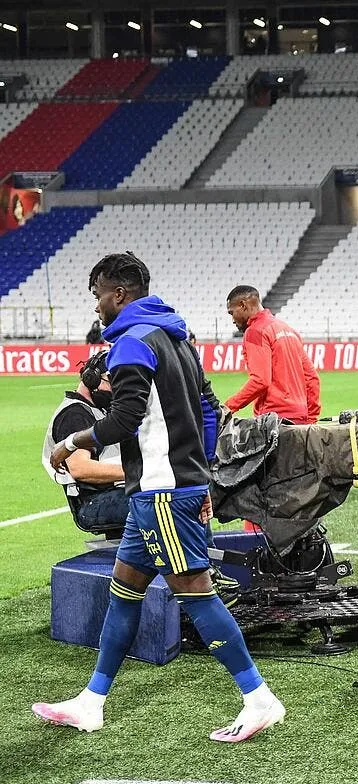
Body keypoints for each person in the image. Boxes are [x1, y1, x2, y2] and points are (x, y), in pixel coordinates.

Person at [38, 252, 284, 742]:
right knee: (124, 592)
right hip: (160, 491)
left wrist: (69, 443)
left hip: (162, 493)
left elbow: (122, 421)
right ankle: (92, 702)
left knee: (195, 593)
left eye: (99, 296)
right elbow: (210, 410)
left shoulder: (131, 344)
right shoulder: (178, 338)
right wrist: (205, 477)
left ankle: (259, 699)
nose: (97, 306)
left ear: (120, 294)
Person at [43, 351, 126, 530]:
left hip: (111, 494)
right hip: (94, 502)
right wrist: (136, 473)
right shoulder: (74, 414)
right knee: (157, 502)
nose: (117, 389)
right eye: (112, 381)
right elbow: (81, 469)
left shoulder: (97, 410)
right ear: (91, 379)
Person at [225, 285, 320, 425]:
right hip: (300, 419)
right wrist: (310, 420)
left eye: (232, 313)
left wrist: (227, 407)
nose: (233, 320)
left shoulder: (255, 331)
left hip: (274, 420)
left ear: (243, 305)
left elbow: (260, 380)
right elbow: (312, 378)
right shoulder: (288, 330)